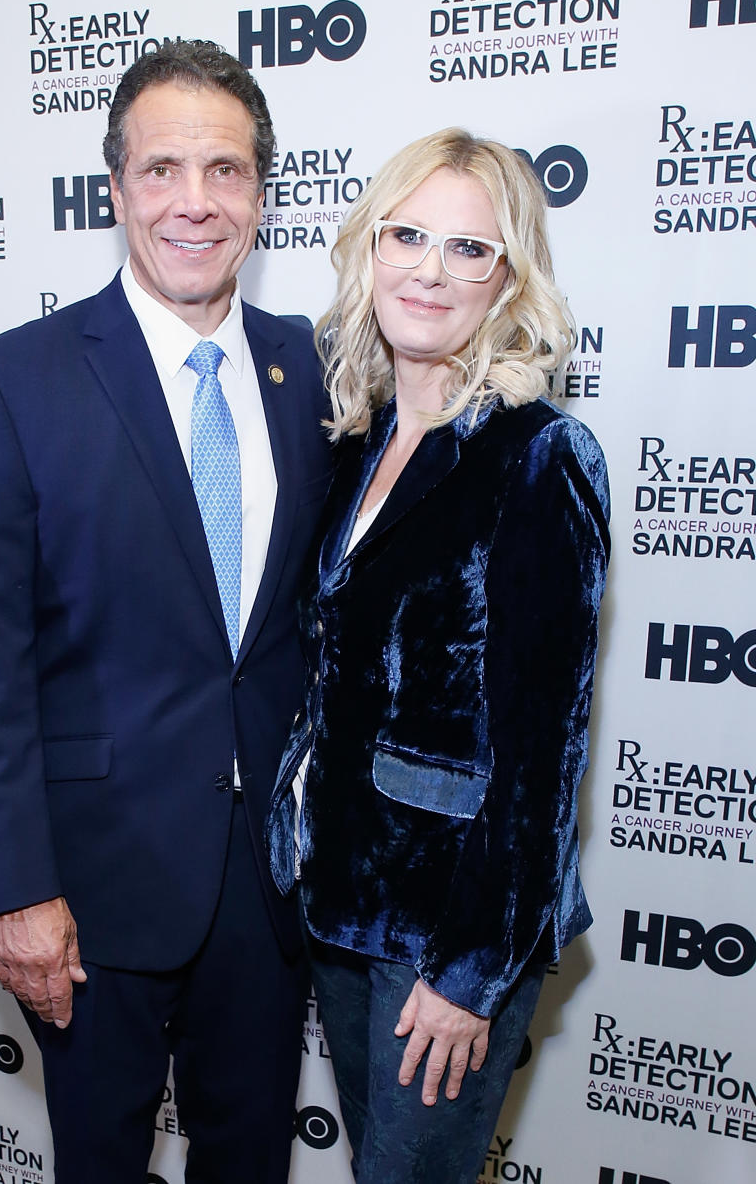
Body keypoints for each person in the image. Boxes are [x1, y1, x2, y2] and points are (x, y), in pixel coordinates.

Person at [0, 40, 331, 1184]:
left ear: (262, 193)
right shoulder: (20, 380)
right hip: (90, 893)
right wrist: (15, 889)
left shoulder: (311, 371)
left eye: (226, 169)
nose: (194, 202)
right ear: (114, 188)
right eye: (162, 169)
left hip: (269, 882)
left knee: (250, 1161)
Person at [266, 128, 611, 1183]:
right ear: (368, 247)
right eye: (407, 234)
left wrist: (469, 973)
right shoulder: (354, 440)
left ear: (509, 280)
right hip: (341, 896)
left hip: (452, 921)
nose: (429, 268)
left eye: (470, 248)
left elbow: (544, 753)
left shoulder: (540, 455)